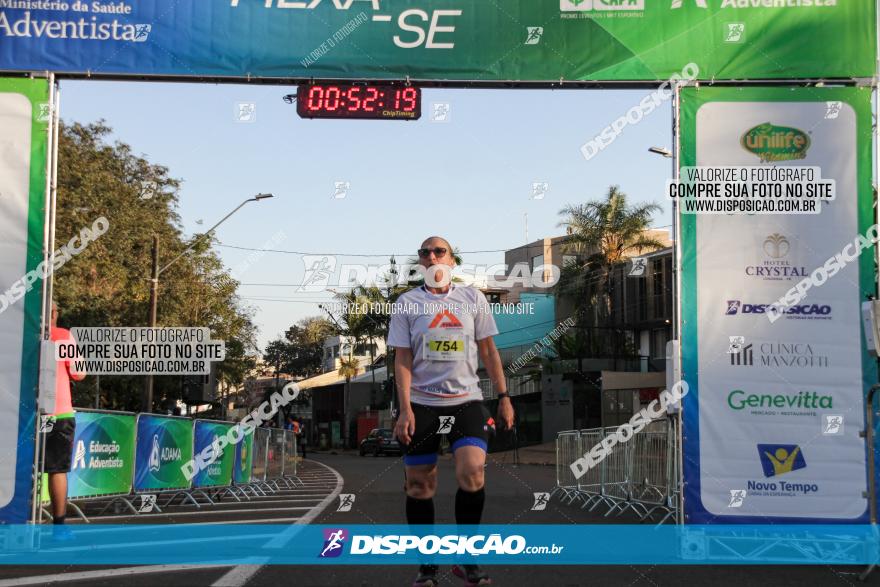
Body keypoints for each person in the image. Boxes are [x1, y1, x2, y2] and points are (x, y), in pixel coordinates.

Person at [389, 236, 514, 587]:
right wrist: (404, 410)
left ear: (452, 260)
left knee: (473, 472)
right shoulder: (407, 303)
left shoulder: (472, 298)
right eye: (425, 253)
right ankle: (427, 566)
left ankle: (467, 560)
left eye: (439, 251)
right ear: (421, 262)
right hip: (422, 404)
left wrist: (503, 395)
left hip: (467, 401)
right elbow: (402, 358)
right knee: (419, 487)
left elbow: (489, 352)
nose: (432, 256)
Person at [44, 303, 86, 538]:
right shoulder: (62, 336)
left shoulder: (24, 336)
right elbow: (79, 373)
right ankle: (59, 527)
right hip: (58, 411)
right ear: (55, 314)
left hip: (27, 413)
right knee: (57, 470)